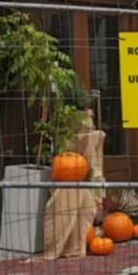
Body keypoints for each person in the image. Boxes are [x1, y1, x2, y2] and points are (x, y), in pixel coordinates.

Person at [42, 110, 105, 259]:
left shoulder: (86, 154)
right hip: (68, 179)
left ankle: (80, 240)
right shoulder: (65, 156)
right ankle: (65, 243)